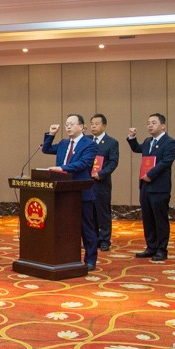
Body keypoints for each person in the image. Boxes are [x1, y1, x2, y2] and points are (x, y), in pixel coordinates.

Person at [43, 114, 99, 271]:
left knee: (86, 228)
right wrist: (51, 134)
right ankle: (65, 257)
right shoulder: (63, 143)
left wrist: (61, 168)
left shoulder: (90, 145)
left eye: (72, 124)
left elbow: (83, 163)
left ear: (81, 126)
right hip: (62, 192)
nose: (68, 127)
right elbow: (46, 149)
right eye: (67, 124)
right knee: (64, 226)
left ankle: (90, 260)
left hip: (81, 193)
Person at [127, 113, 175, 262]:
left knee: (160, 219)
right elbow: (137, 148)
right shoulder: (148, 141)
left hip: (159, 187)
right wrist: (132, 138)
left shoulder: (170, 142)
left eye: (154, 123)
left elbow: (166, 162)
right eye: (148, 123)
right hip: (145, 186)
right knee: (148, 218)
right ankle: (151, 247)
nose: (150, 125)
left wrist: (150, 174)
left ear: (163, 126)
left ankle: (161, 250)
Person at [90, 114, 119, 251]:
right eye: (92, 124)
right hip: (87, 182)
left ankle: (105, 240)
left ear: (104, 125)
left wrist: (100, 174)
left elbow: (113, 163)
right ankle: (93, 239)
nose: (93, 126)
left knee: (103, 213)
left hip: (101, 183)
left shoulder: (111, 142)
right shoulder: (87, 140)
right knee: (90, 213)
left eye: (97, 124)